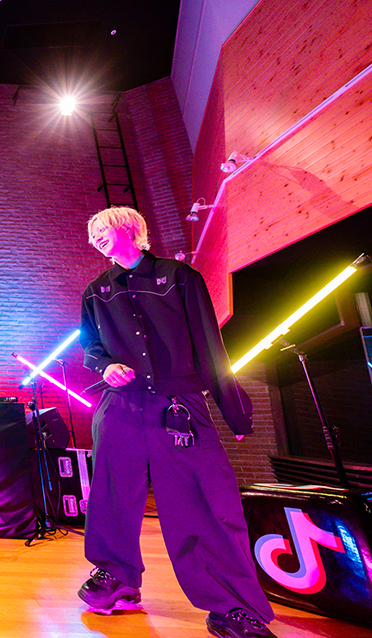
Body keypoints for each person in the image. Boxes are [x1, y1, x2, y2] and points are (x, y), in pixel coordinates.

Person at [77, 207, 277, 638]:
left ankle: (231, 607)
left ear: (130, 228)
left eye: (101, 229)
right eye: (91, 234)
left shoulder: (179, 277)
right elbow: (89, 346)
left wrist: (234, 410)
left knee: (200, 504)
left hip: (178, 407)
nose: (95, 238)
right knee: (111, 496)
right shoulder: (96, 292)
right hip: (119, 407)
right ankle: (117, 577)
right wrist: (105, 366)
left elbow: (209, 345)